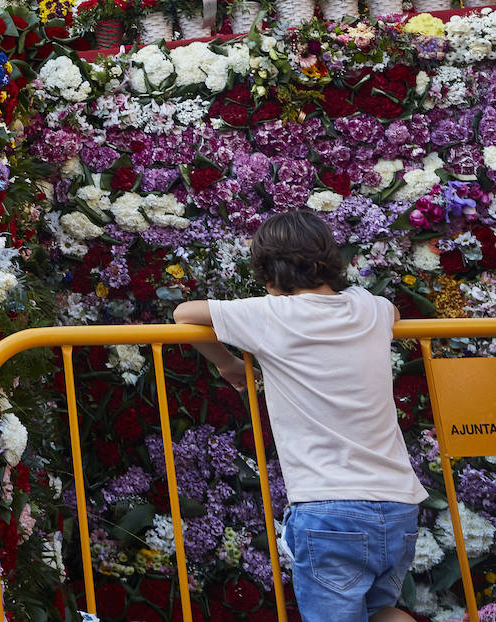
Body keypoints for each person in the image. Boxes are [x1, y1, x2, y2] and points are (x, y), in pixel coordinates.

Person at [173, 211, 426, 622]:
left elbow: (184, 313)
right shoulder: (369, 306)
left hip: (330, 509)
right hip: (399, 505)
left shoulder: (272, 315)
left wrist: (228, 364)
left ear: (267, 271)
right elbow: (393, 315)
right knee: (384, 613)